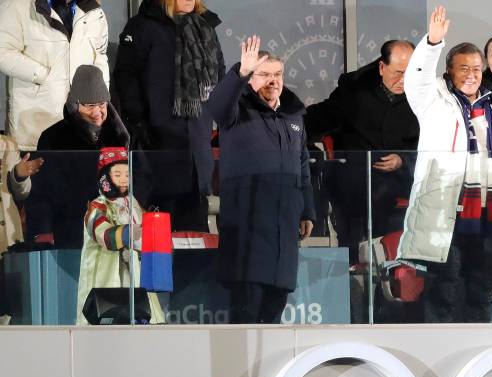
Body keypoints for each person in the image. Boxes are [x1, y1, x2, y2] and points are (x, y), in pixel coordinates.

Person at [397, 6, 492, 323]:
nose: (471, 74)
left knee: (482, 292)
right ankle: (440, 356)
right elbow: (415, 80)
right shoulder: (433, 102)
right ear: (449, 71)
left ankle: (477, 357)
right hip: (448, 212)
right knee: (446, 289)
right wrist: (432, 43)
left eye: (476, 68)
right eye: (463, 68)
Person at [205, 36, 316, 324]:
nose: (273, 81)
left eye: (278, 74)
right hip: (248, 231)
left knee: (274, 312)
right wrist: (240, 73)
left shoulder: (293, 115)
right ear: (251, 78)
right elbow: (216, 108)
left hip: (284, 231)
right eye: (264, 74)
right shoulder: (237, 109)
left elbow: (302, 165)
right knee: (246, 314)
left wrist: (307, 211)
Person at [114, 0, 225, 232]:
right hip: (158, 147)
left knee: (194, 238)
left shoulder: (205, 26)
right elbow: (126, 77)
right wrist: (139, 124)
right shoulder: (143, 27)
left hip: (197, 145)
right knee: (159, 236)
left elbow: (220, 78)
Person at [305, 40, 418, 262]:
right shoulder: (354, 93)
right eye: (398, 73)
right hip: (355, 189)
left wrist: (403, 160)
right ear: (382, 67)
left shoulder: (423, 99)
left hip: (402, 188)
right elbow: (316, 120)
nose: (403, 80)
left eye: (411, 73)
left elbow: (429, 145)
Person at [24, 64, 149, 248]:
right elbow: (43, 189)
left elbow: (144, 177)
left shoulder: (126, 135)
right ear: (75, 105)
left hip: (124, 229)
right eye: (90, 106)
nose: (97, 112)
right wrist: (43, 229)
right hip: (74, 230)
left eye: (101, 104)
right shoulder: (53, 137)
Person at [0, 0, 109, 151]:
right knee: (36, 171)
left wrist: (99, 97)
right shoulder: (17, 5)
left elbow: (100, 57)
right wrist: (45, 75)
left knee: (81, 170)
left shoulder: (94, 11)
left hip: (83, 122)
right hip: (36, 119)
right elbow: (3, 51)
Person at [75, 147, 164, 325]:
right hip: (108, 279)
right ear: (105, 178)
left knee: (145, 315)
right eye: (117, 174)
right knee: (108, 319)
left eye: (126, 174)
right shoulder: (98, 206)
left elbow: (148, 229)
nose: (123, 179)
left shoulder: (134, 204)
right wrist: (126, 234)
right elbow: (101, 233)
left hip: (135, 275)